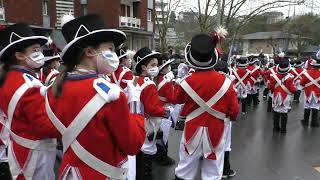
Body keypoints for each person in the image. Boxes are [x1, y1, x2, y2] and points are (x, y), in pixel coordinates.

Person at [44, 14, 146, 179]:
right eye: (110, 49)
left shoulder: (53, 88)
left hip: (70, 172)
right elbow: (133, 145)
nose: (114, 54)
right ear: (90, 52)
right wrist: (135, 103)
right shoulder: (111, 95)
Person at [174, 34, 239, 180]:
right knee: (213, 173)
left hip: (192, 130)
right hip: (216, 130)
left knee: (184, 170)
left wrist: (181, 78)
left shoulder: (185, 82)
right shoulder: (227, 82)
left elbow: (176, 99)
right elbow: (234, 111)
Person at [0, 23, 59, 179]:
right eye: (35, 50)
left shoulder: (11, 78)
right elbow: (45, 126)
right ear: (19, 55)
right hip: (35, 155)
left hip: (20, 147)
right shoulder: (29, 85)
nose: (40, 54)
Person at [133, 47, 171, 180]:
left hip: (136, 119)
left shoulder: (135, 80)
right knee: (147, 149)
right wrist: (166, 111)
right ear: (144, 67)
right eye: (153, 65)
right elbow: (152, 109)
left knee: (139, 149)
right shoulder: (149, 85)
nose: (156, 67)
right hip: (148, 122)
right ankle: (146, 175)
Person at [214, 60, 237, 178]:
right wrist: (232, 117)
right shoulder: (229, 85)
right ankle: (225, 170)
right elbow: (234, 109)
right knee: (225, 144)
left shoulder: (209, 83)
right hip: (225, 120)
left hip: (209, 119)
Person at [153, 53, 176, 166]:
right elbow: (172, 98)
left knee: (156, 132)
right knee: (164, 134)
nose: (169, 68)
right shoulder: (167, 81)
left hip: (155, 107)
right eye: (167, 66)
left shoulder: (155, 78)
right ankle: (163, 157)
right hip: (165, 108)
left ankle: (156, 155)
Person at [268, 58, 297, 133]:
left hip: (276, 96)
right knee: (284, 113)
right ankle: (283, 129)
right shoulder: (290, 77)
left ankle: (275, 127)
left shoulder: (273, 76)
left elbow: (270, 87)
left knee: (276, 112)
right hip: (286, 97)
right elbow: (293, 90)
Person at [300, 51, 320, 128]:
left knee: (307, 106)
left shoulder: (306, 73)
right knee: (315, 107)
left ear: (312, 65)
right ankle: (314, 123)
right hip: (318, 93)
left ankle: (305, 121)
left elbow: (302, 83)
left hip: (307, 92)